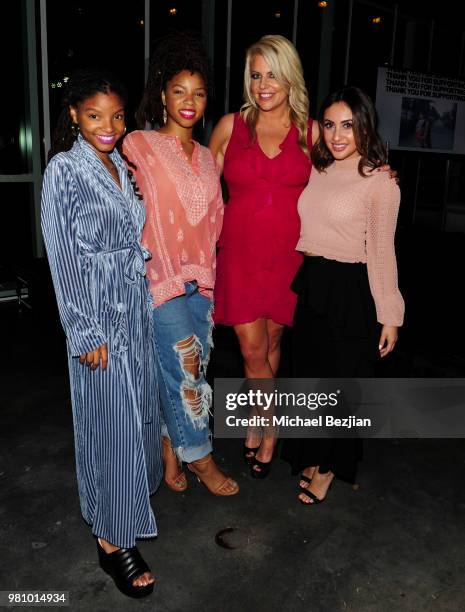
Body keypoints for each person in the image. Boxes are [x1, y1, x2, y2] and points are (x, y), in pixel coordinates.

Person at [41, 69, 161, 598]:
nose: (108, 126)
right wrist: (83, 330)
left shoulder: (120, 165)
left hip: (133, 309)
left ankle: (122, 512)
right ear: (73, 115)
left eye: (116, 115)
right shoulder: (64, 170)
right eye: (94, 115)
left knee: (132, 421)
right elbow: (63, 256)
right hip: (98, 315)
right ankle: (114, 542)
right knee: (108, 429)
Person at [123, 33, 238, 496]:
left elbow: (215, 222)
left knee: (196, 372)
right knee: (184, 371)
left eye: (199, 92)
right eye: (179, 92)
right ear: (162, 96)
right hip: (159, 278)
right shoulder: (139, 145)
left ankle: (171, 449)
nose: (189, 102)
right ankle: (201, 458)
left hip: (202, 282)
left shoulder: (210, 158)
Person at [282, 86, 405, 504]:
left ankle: (331, 467)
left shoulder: (380, 181)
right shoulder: (319, 169)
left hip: (352, 289)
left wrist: (390, 314)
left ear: (364, 126)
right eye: (331, 125)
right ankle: (315, 455)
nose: (337, 136)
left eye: (348, 126)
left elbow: (383, 251)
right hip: (314, 282)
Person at [209, 35, 318, 478]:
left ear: (289, 77)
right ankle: (272, 430)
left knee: (272, 344)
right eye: (256, 75)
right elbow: (196, 187)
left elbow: (346, 179)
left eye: (272, 74)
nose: (263, 84)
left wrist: (383, 171)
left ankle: (255, 422)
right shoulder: (231, 126)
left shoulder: (312, 133)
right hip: (238, 255)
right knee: (252, 348)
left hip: (290, 258)